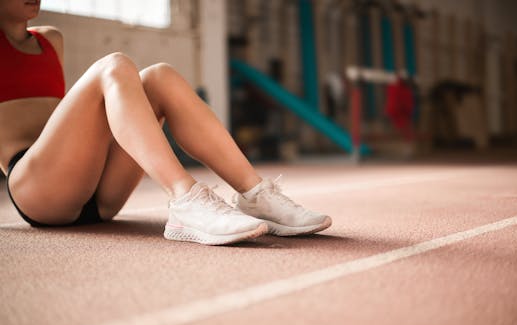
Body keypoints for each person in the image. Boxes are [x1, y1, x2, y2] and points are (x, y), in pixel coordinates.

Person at [0, 0, 331, 245]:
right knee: (113, 65)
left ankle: (254, 194)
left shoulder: (50, 40)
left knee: (159, 76)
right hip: (39, 189)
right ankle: (185, 198)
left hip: (96, 190)